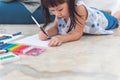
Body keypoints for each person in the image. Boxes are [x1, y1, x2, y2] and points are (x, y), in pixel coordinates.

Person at [39, 0, 120, 47]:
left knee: (115, 19)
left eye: (60, 9)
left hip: (100, 20)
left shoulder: (79, 9)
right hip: (90, 13)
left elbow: (77, 33)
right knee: (95, 11)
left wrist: (61, 39)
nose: (57, 14)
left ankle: (109, 13)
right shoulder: (60, 11)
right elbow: (56, 28)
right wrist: (47, 33)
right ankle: (103, 11)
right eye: (52, 11)